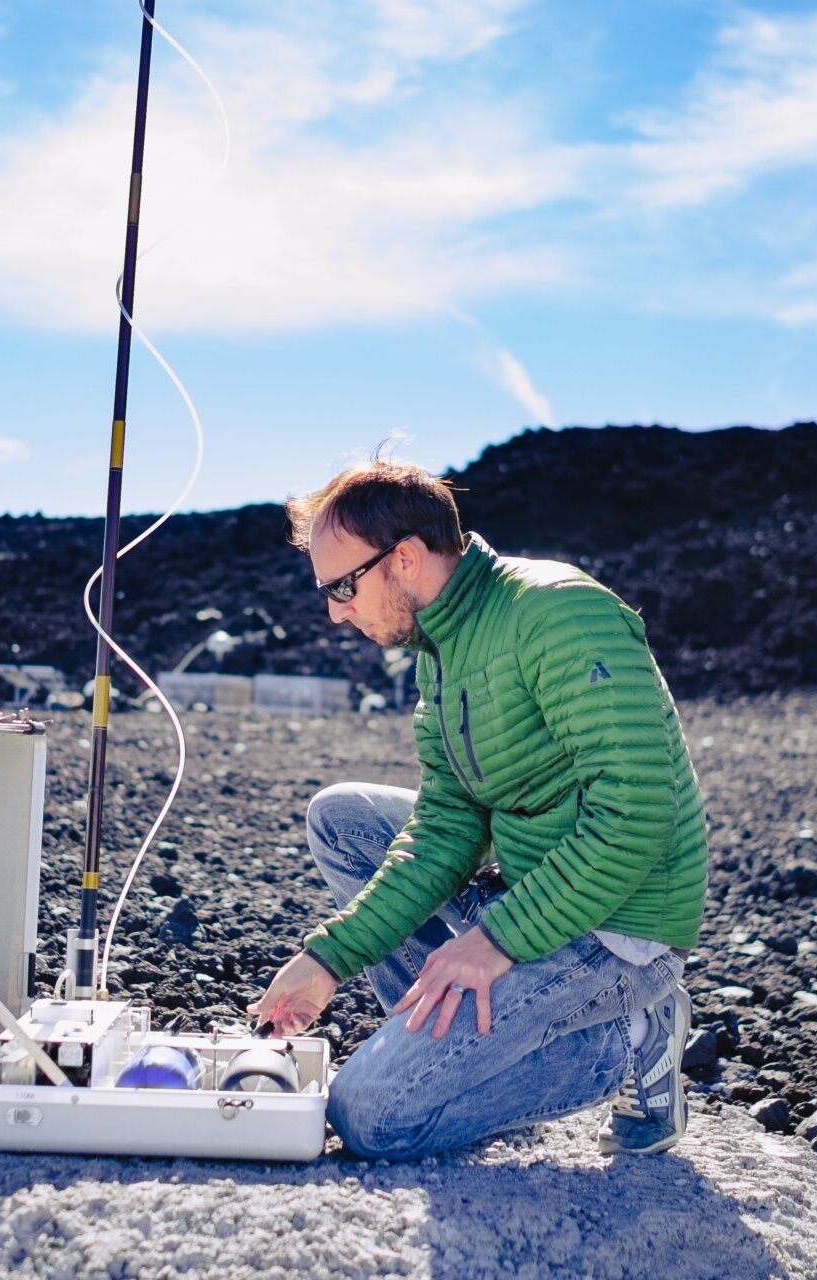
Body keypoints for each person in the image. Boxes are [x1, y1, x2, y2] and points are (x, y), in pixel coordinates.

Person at [248, 458, 709, 1160]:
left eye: (342, 587)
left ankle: (628, 1038)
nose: (335, 611)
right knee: (342, 819)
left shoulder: (557, 613)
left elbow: (635, 812)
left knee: (371, 1116)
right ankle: (474, 1056)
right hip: (537, 887)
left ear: (403, 559)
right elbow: (447, 828)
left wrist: (494, 942)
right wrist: (329, 957)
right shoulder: (440, 647)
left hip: (618, 927)